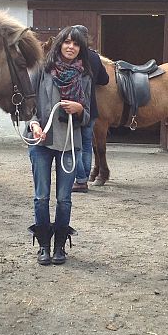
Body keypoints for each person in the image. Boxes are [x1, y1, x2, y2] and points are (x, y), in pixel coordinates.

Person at [26, 25, 92, 266]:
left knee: (64, 199)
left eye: (76, 44)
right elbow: (29, 107)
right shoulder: (42, 71)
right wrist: (34, 126)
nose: (71, 47)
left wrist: (80, 109)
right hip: (42, 142)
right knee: (41, 197)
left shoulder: (84, 76)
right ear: (59, 44)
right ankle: (43, 244)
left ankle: (60, 246)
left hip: (69, 144)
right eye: (67, 42)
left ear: (80, 48)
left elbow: (88, 117)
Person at [71, 26, 109, 193]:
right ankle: (84, 178)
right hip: (91, 108)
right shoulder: (94, 57)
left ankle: (80, 180)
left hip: (73, 108)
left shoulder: (72, 57)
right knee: (87, 144)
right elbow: (105, 80)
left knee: (75, 146)